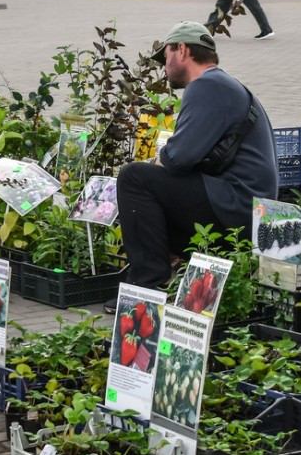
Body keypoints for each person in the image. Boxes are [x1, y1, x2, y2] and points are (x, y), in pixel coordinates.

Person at [108, 22, 278, 311]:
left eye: (166, 57)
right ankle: (162, 269)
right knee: (151, 188)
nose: (164, 67)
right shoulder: (223, 85)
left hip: (238, 209)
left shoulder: (206, 87)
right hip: (248, 210)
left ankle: (147, 286)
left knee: (134, 178)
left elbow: (176, 159)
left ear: (182, 50)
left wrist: (156, 162)